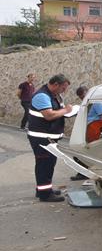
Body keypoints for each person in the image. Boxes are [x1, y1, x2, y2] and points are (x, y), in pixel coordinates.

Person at [27, 74, 72, 202]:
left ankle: (44, 189)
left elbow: (57, 112)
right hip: (42, 137)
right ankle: (45, 195)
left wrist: (65, 111)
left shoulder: (54, 95)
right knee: (44, 164)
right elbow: (49, 115)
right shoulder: (42, 96)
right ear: (55, 85)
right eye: (63, 88)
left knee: (48, 164)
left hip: (49, 137)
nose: (64, 91)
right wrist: (67, 110)